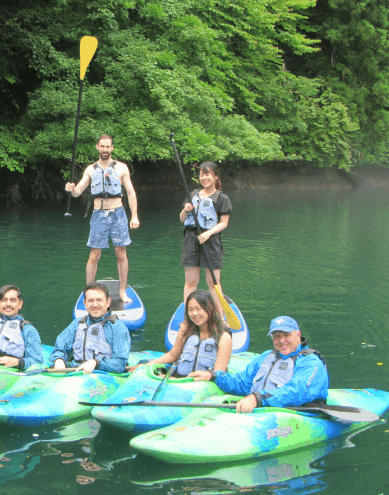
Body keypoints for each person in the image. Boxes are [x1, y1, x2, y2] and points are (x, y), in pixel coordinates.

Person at [191, 316, 328, 413]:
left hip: (291, 414)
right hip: (260, 409)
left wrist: (257, 399)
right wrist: (214, 375)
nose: (282, 341)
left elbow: (297, 391)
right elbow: (241, 383)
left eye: (286, 335)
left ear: (298, 335)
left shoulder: (310, 362)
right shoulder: (267, 356)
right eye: (276, 337)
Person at [65, 134, 140, 303]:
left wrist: (134, 216)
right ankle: (88, 290)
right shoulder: (90, 169)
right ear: (97, 147)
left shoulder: (121, 168)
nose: (105, 149)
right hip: (98, 214)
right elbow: (77, 192)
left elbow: (130, 192)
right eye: (102, 146)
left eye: (108, 146)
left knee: (121, 253)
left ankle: (122, 291)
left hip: (118, 213)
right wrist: (71, 189)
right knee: (94, 254)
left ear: (112, 148)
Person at [129, 289, 232, 375]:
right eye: (190, 310)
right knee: (142, 365)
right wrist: (147, 365)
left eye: (198, 309)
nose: (194, 314)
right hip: (180, 379)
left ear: (210, 309)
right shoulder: (185, 330)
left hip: (204, 385)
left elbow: (219, 373)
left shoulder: (224, 337)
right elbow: (173, 355)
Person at [179, 161, 232, 315]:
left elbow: (224, 223)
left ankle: (219, 317)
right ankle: (188, 315)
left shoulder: (222, 198)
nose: (204, 177)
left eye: (207, 174)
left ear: (215, 176)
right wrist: (185, 209)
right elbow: (182, 219)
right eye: (201, 174)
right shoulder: (193, 195)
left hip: (211, 241)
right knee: (190, 282)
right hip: (191, 240)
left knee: (213, 282)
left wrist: (209, 233)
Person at [50, 282, 131, 374]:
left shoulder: (118, 328)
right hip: (76, 372)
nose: (95, 305)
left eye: (99, 300)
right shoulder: (77, 324)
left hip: (102, 375)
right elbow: (60, 348)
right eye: (90, 300)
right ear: (85, 303)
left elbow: (120, 364)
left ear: (108, 302)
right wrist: (59, 359)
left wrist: (96, 363)